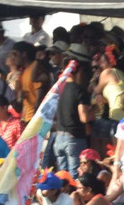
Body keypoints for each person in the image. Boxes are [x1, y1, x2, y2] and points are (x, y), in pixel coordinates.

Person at [52, 45, 94, 176]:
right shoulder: (79, 91)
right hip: (74, 140)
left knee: (63, 178)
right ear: (80, 70)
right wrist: (96, 108)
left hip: (58, 138)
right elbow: (84, 118)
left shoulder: (58, 88)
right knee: (75, 178)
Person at [12, 41, 49, 126]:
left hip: (37, 121)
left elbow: (39, 98)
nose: (13, 58)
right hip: (26, 120)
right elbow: (20, 107)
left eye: (15, 54)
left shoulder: (36, 69)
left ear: (24, 54)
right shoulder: (22, 73)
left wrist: (33, 122)